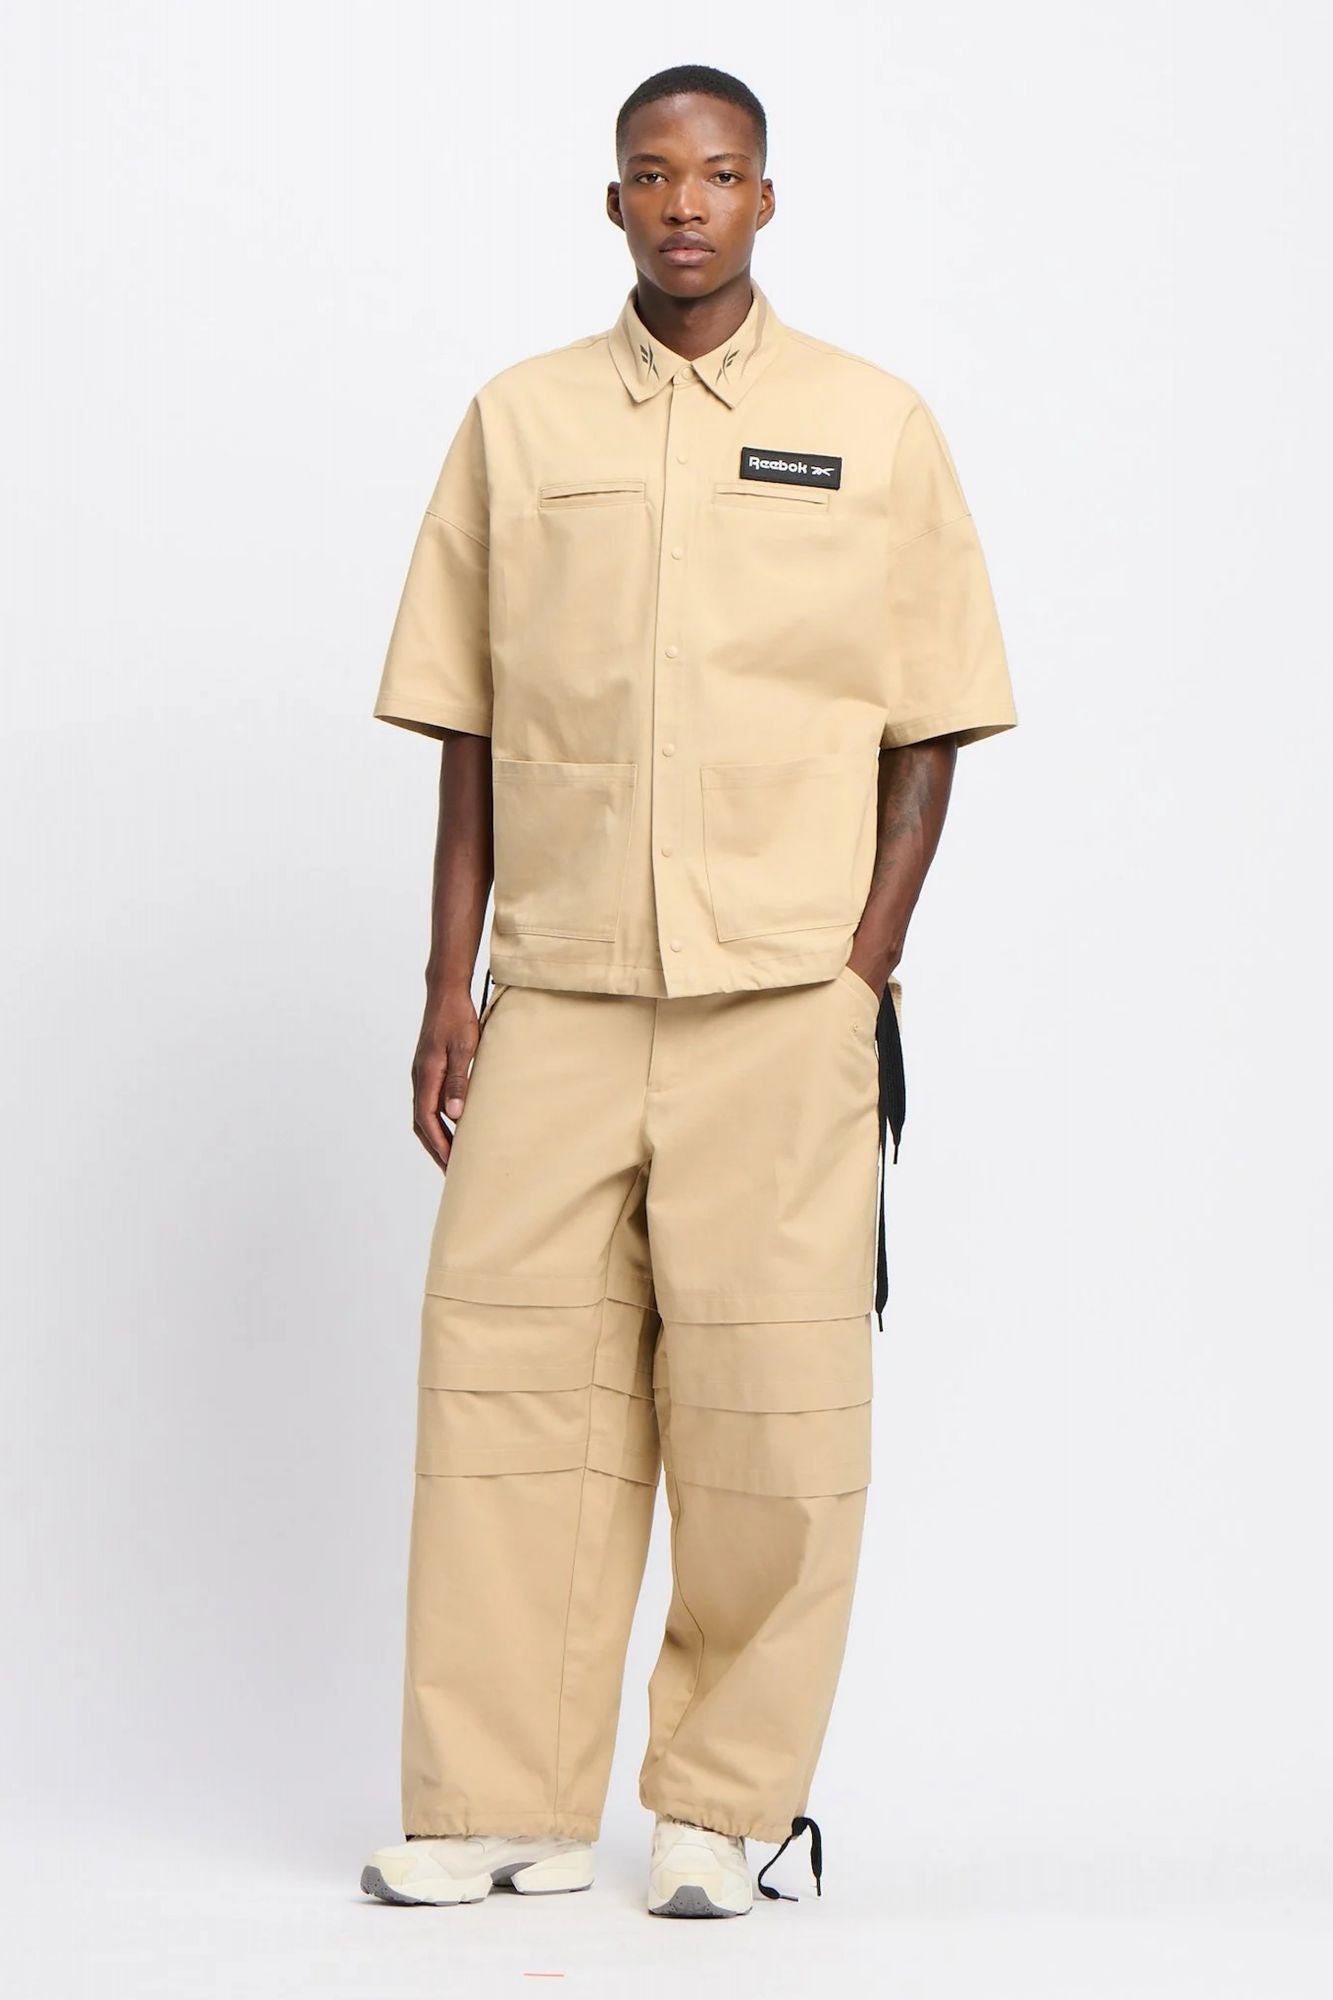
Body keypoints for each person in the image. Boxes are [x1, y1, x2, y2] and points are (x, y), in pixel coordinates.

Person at [360, 61, 1017, 1920]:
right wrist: (449, 987)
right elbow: (470, 727)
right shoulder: (520, 422)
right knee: (507, 1394)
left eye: (718, 174)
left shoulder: (872, 426)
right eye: (651, 175)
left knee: (772, 1413)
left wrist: (860, 963)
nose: (683, 205)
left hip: (781, 1004)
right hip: (560, 992)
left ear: (765, 199)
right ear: (611, 202)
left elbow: (932, 718)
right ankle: (499, 1803)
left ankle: (725, 1810)